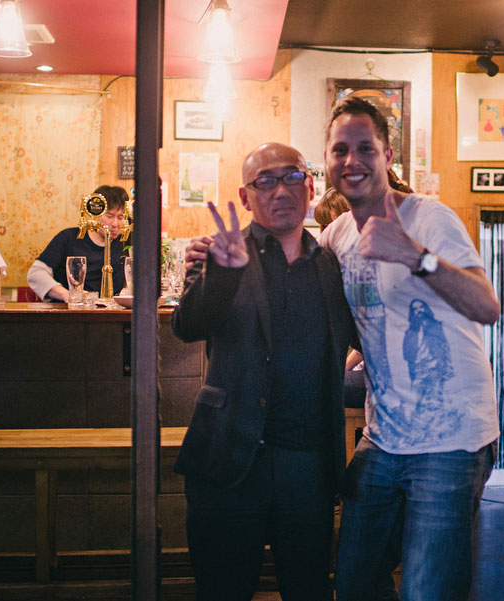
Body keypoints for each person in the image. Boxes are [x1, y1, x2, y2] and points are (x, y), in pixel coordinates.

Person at [320, 97, 501, 601]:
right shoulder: (335, 237)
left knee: (427, 591)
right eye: (340, 150)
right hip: (383, 437)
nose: (352, 160)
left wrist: (415, 257)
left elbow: (487, 306)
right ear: (328, 159)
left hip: (452, 441)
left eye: (365, 148)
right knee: (354, 582)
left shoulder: (428, 219)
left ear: (387, 153)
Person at [171, 142, 355, 601]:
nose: (281, 190)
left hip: (309, 467)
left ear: (311, 185)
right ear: (245, 195)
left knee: (309, 590)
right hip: (230, 458)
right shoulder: (220, 253)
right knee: (223, 591)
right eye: (265, 181)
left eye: (292, 176)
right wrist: (223, 273)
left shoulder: (332, 264)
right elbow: (187, 326)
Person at [26, 185, 128, 302]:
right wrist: (66, 294)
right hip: (70, 313)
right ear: (95, 213)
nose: (115, 224)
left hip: (112, 314)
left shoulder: (126, 242)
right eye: (109, 216)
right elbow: (35, 274)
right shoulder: (68, 238)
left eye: (120, 217)